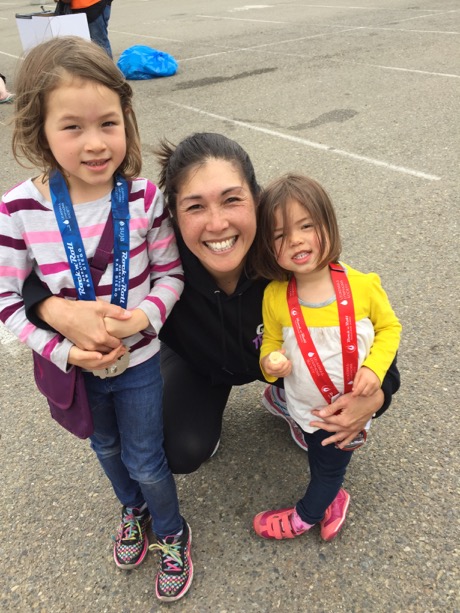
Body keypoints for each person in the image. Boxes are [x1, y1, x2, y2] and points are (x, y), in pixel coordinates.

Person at [22, 134, 401, 507]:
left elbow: (363, 321)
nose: (217, 224)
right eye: (195, 207)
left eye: (232, 199)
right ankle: (229, 411)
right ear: (169, 215)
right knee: (181, 450)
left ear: (257, 200)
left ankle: (288, 397)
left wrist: (378, 395)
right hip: (199, 363)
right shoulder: (157, 260)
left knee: (338, 363)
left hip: (279, 361)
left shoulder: (284, 256)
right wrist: (48, 307)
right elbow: (36, 270)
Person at [0, 36, 192, 602]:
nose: (95, 143)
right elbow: (7, 300)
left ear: (127, 121)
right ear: (38, 129)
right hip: (75, 368)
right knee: (104, 448)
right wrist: (63, 351)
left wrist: (143, 322)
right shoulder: (18, 209)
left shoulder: (145, 197)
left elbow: (171, 276)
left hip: (139, 362)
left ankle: (174, 533)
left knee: (147, 457)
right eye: (72, 127)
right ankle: (131, 512)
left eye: (109, 123)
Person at [251, 173, 401, 542]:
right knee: (314, 448)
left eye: (306, 226)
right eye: (280, 235)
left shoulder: (363, 286)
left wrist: (375, 369)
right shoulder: (274, 295)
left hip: (346, 411)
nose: (296, 240)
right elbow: (270, 343)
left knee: (328, 467)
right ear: (269, 247)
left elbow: (390, 329)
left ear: (328, 225)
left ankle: (309, 513)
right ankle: (288, 412)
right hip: (305, 402)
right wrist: (271, 363)